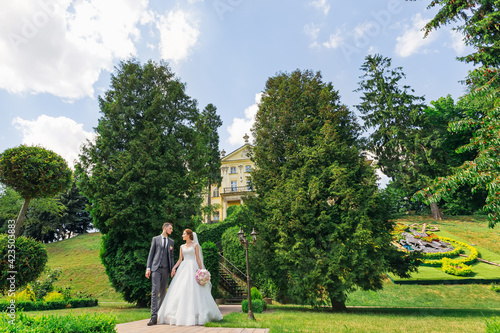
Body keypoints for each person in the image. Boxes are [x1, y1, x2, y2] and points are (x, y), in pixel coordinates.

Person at [157, 228, 223, 326]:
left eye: (184, 234)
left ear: (189, 235)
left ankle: (198, 315)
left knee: (195, 290)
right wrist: (174, 268)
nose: (182, 235)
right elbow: (180, 259)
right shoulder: (181, 246)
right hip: (183, 268)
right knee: (182, 288)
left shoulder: (195, 245)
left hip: (193, 267)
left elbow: (198, 259)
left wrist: (202, 271)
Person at [145, 222, 175, 326]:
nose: (172, 230)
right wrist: (148, 268)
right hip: (155, 268)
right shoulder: (155, 239)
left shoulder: (171, 242)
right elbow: (151, 254)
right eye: (170, 228)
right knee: (155, 291)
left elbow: (171, 257)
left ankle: (160, 314)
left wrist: (172, 269)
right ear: (165, 228)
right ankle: (153, 317)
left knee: (163, 292)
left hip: (166, 269)